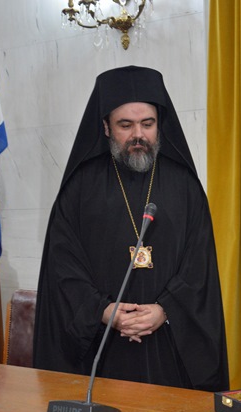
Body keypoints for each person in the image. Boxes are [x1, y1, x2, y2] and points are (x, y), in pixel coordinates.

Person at [33, 66, 229, 392]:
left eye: (147, 124)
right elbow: (62, 266)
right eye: (126, 125)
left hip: (171, 348)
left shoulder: (184, 185)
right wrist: (103, 310)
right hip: (101, 350)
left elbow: (200, 266)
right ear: (106, 128)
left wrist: (166, 309)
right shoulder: (80, 187)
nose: (138, 134)